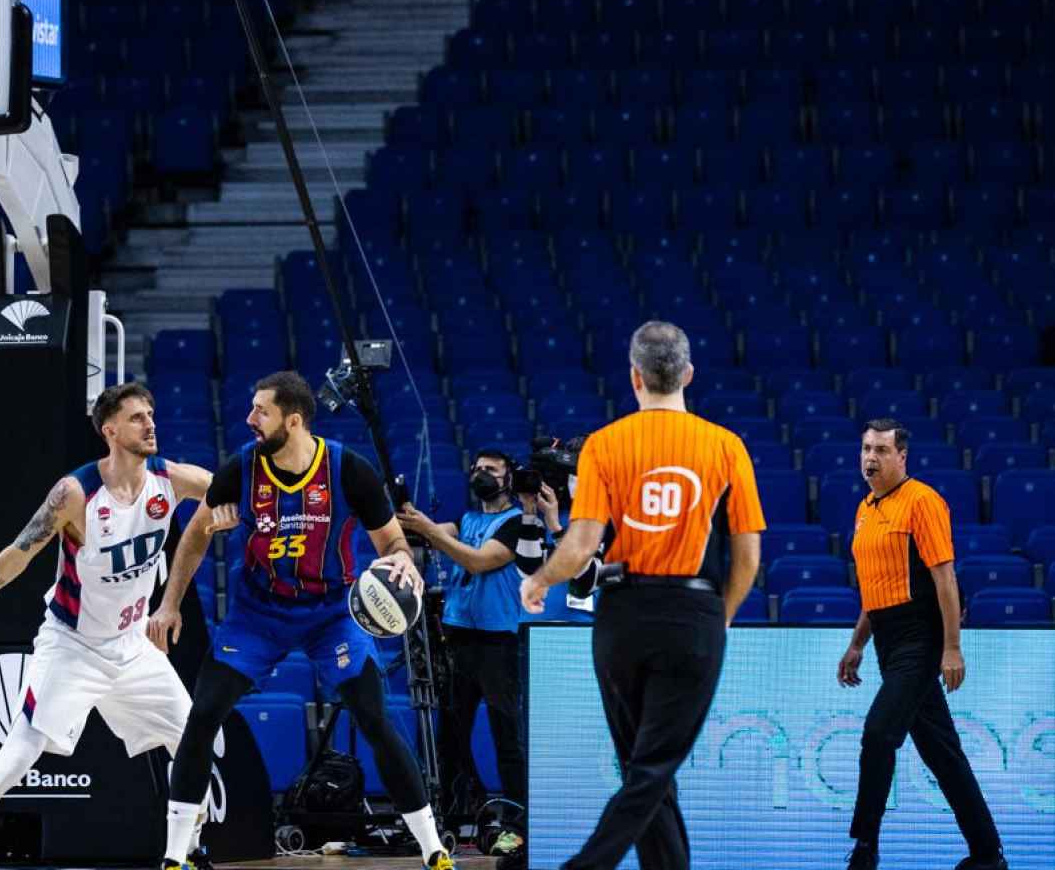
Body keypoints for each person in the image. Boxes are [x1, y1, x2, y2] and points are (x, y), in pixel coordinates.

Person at [0, 383, 214, 870]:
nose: (150, 423)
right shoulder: (76, 492)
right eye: (136, 417)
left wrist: (232, 507)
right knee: (19, 756)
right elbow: (14, 559)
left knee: (193, 741)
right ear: (109, 430)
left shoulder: (168, 479)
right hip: (74, 645)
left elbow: (232, 489)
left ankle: (182, 856)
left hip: (132, 646)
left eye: (151, 414)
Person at [155, 371, 450, 870]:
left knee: (375, 719)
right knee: (203, 714)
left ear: (292, 420)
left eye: (260, 411)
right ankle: (175, 854)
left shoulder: (348, 469)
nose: (249, 419)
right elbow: (196, 533)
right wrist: (169, 603)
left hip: (330, 612)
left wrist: (401, 560)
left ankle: (433, 849)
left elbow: (392, 543)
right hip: (259, 612)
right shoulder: (241, 469)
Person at [519, 321, 764, 870]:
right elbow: (747, 556)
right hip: (692, 611)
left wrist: (540, 579)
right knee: (652, 769)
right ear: (689, 375)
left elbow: (582, 544)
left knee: (644, 768)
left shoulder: (605, 445)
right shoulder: (727, 446)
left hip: (622, 615)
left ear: (634, 377)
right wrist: (719, 617)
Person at [837, 419, 1005, 870]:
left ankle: (865, 848)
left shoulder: (923, 501)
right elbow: (874, 590)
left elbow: (945, 578)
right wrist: (856, 645)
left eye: (882, 450)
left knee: (878, 733)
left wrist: (952, 647)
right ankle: (988, 854)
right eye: (866, 449)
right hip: (887, 641)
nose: (871, 458)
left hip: (922, 635)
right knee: (942, 752)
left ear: (902, 456)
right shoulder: (864, 510)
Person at [397, 449, 560, 856]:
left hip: (498, 639)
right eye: (476, 468)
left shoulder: (519, 526)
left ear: (508, 479)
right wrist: (403, 514)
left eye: (491, 469)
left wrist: (431, 531)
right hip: (458, 634)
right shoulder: (468, 519)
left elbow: (478, 561)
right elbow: (426, 533)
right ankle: (453, 817)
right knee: (451, 734)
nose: (480, 474)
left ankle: (517, 823)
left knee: (507, 735)